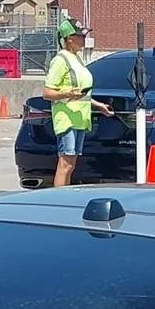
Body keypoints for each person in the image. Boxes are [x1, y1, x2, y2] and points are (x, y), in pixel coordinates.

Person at [43, 18, 112, 187]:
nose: (84, 39)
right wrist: (68, 93)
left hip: (80, 119)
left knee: (71, 165)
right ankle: (59, 197)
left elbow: (82, 92)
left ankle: (64, 196)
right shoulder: (61, 60)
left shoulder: (76, 59)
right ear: (69, 39)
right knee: (65, 164)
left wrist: (98, 105)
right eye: (80, 36)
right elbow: (47, 93)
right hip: (67, 119)